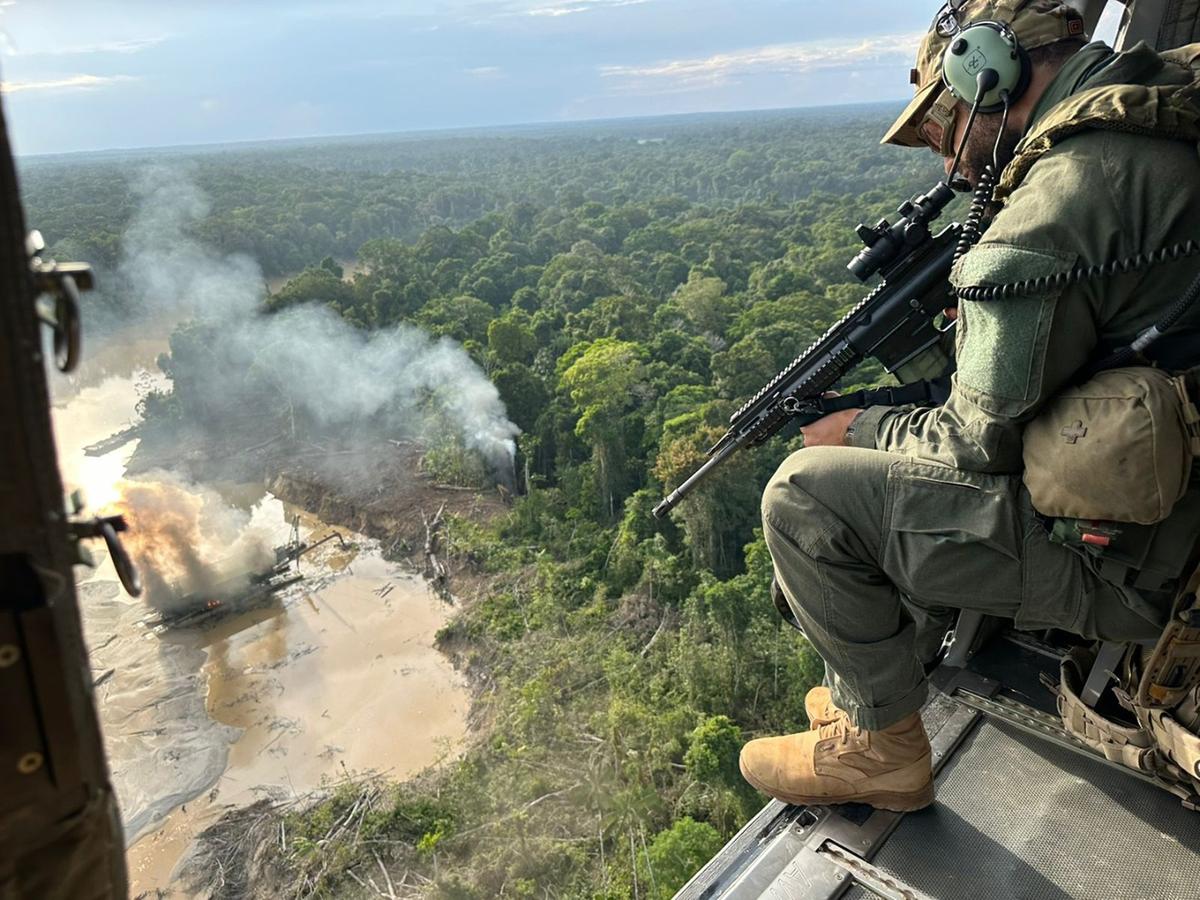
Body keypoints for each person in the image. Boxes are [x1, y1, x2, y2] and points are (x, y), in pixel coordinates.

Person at [738, 0, 1200, 812]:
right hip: (1184, 505)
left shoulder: (1060, 198)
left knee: (806, 496)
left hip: (1144, 566)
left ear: (987, 72)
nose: (948, 167)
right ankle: (867, 689)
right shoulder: (1163, 104)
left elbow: (969, 443)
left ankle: (882, 750)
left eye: (944, 129)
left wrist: (859, 426)